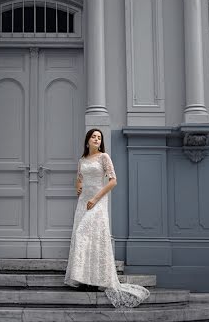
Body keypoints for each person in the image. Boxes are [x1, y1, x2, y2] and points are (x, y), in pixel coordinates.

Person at [64, 128, 150, 309]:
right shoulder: (82, 160)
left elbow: (113, 181)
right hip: (83, 202)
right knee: (84, 239)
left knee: (88, 236)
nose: (96, 139)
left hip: (97, 201)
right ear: (87, 141)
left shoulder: (104, 157)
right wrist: (78, 186)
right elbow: (79, 177)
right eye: (93, 137)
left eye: (99, 137)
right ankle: (84, 279)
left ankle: (96, 280)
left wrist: (95, 199)